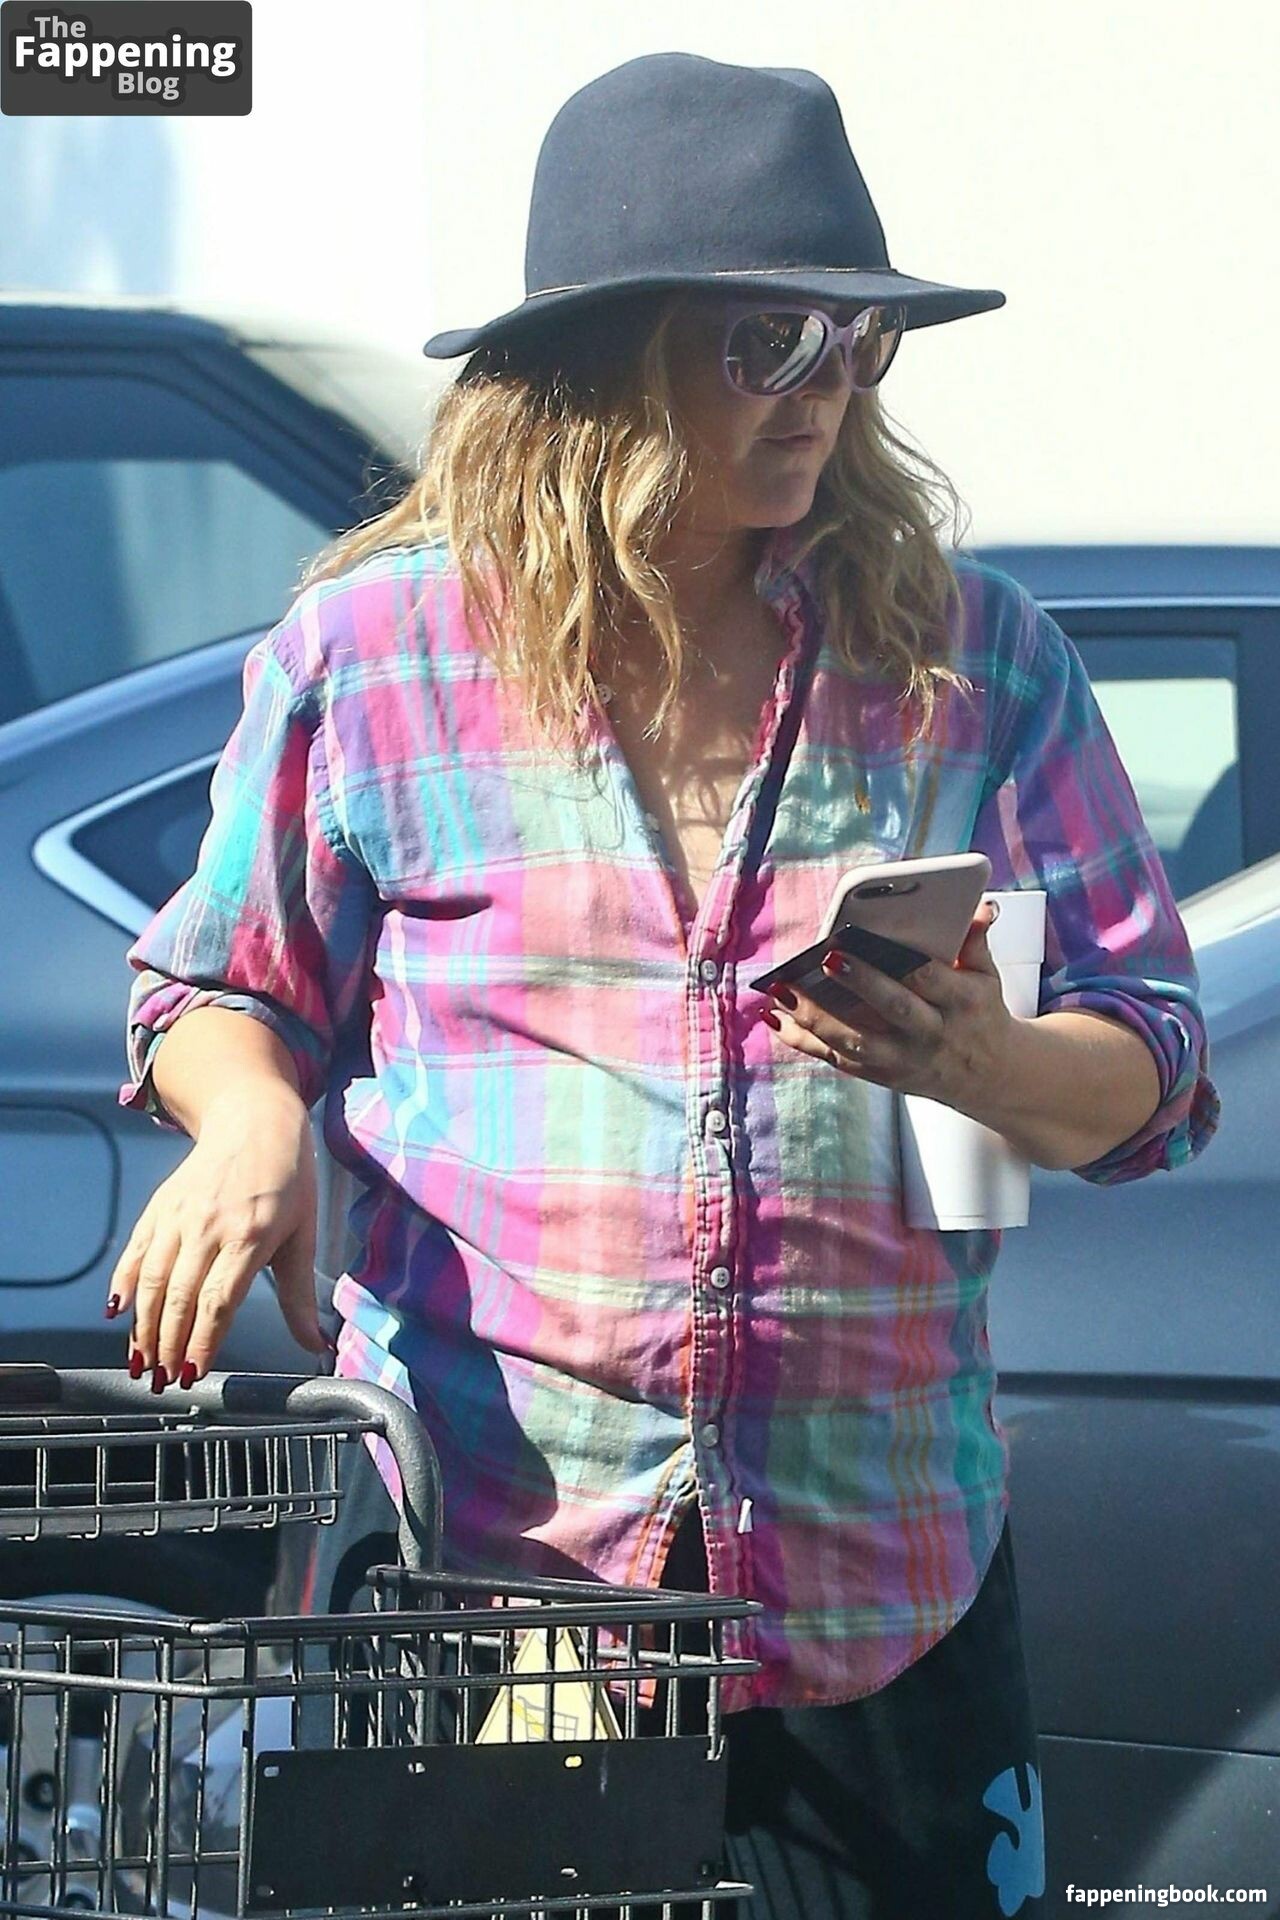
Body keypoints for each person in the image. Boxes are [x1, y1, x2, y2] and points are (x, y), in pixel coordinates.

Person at [112, 52, 1220, 1920]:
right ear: (601, 362)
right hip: (495, 1588)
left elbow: (1157, 1057)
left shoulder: (977, 661)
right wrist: (247, 1120)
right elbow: (221, 984)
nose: (827, 389)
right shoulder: (375, 658)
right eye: (770, 340)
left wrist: (992, 1062)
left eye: (858, 342)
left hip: (883, 1585)